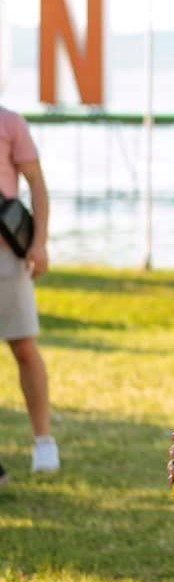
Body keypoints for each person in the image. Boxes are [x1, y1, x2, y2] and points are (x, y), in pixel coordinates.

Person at [0, 105, 57, 475]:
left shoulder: (10, 123)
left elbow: (36, 183)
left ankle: (44, 442)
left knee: (23, 347)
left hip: (6, 254)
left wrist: (39, 243)